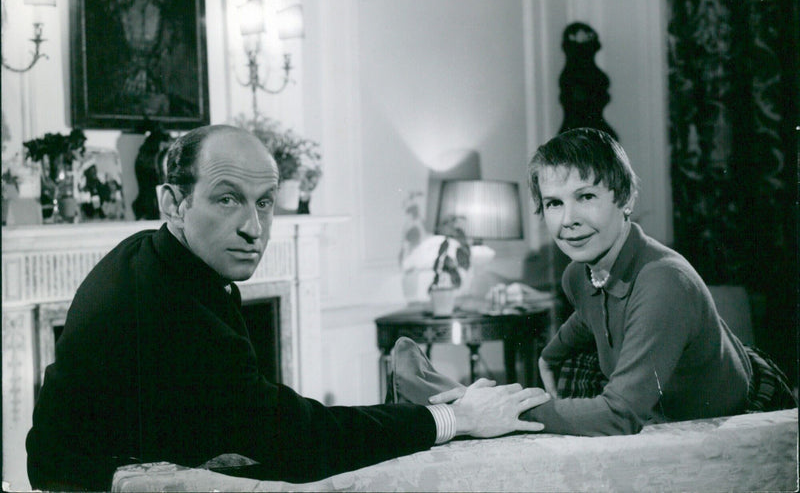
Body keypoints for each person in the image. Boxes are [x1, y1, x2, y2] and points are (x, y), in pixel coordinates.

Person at [26, 125, 550, 491]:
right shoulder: (166, 305)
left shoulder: (153, 255)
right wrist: (450, 420)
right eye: (227, 198)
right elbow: (299, 436)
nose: (254, 229)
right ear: (172, 204)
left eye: (265, 201)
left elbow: (249, 416)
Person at [421, 128, 793, 435]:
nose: (569, 219)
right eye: (554, 203)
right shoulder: (577, 273)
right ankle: (455, 401)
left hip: (746, 413)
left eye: (585, 196)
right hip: (664, 408)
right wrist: (549, 355)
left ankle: (457, 405)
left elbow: (619, 415)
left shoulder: (663, 281)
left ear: (625, 198)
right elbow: (587, 317)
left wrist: (509, 414)